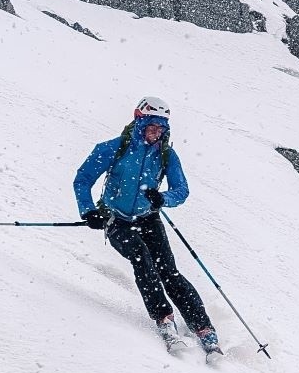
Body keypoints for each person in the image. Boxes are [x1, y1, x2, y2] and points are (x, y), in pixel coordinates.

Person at [73, 96, 223, 356]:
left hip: (147, 218)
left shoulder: (166, 154)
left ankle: (204, 329)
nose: (156, 133)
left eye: (161, 128)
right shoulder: (113, 148)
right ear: (139, 121)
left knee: (169, 272)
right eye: (151, 127)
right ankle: (164, 319)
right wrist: (89, 211)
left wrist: (163, 198)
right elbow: (82, 179)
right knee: (142, 259)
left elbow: (182, 190)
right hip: (115, 218)